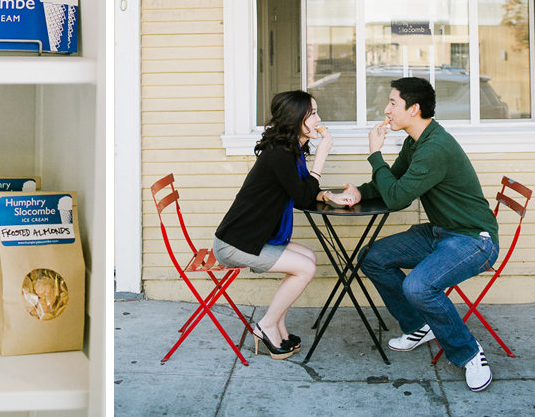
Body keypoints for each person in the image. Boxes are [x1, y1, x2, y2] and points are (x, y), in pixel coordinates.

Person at [342, 77, 499, 391]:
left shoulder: (434, 148)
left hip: (472, 240)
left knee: (418, 286)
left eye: (392, 103)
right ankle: (419, 325)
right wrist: (360, 192)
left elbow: (398, 197)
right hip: (441, 233)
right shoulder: (416, 141)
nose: (386, 109)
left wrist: (375, 154)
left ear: (413, 109)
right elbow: (393, 181)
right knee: (372, 257)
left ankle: (469, 353)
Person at [213, 90, 354, 359]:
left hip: (254, 236)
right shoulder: (279, 154)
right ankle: (266, 326)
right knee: (304, 269)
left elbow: (302, 190)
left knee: (308, 257)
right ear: (295, 119)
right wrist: (321, 158)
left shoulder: (291, 151)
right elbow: (301, 195)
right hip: (235, 243)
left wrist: (327, 195)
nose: (318, 119)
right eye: (312, 114)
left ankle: (278, 325)